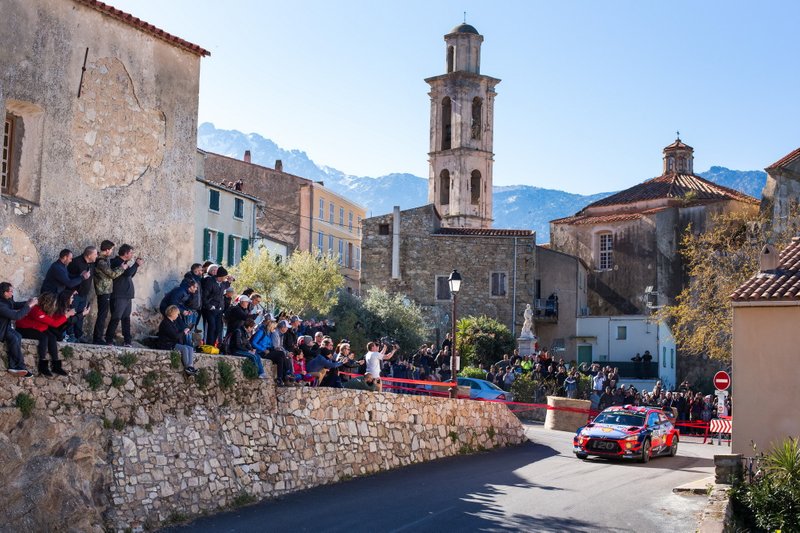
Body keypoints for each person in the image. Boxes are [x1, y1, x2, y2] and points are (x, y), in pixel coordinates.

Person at [15, 292, 73, 376]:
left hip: (37, 327)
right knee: (44, 337)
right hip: (23, 329)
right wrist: (67, 315)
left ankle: (56, 365)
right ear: (48, 303)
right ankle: (42, 365)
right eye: (54, 303)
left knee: (52, 337)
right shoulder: (36, 310)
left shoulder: (44, 309)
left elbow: (52, 319)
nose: (55, 305)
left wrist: (64, 314)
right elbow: (54, 323)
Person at [105, 244, 143, 347]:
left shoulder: (124, 263)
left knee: (126, 319)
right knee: (116, 318)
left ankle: (127, 341)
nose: (132, 255)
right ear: (125, 253)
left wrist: (135, 266)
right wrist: (136, 264)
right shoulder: (116, 262)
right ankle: (108, 340)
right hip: (119, 295)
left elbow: (130, 274)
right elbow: (126, 273)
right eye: (130, 252)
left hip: (126, 296)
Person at [92, 240, 128, 345]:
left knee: (102, 314)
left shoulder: (104, 260)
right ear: (107, 250)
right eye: (111, 249)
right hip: (104, 291)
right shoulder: (101, 261)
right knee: (102, 315)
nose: (112, 251)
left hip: (105, 290)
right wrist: (122, 268)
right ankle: (97, 339)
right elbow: (112, 274)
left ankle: (98, 338)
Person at [0, 282, 36, 377]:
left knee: (18, 336)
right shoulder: (1, 305)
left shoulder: (7, 300)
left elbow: (14, 304)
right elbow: (17, 316)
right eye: (10, 291)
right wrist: (29, 306)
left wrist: (27, 303)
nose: (12, 293)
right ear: (4, 292)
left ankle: (13, 366)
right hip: (1, 329)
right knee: (14, 338)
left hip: (5, 326)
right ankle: (21, 366)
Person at [66, 246, 97, 341]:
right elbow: (67, 277)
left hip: (84, 294)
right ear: (89, 255)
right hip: (74, 294)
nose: (97, 256)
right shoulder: (75, 263)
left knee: (81, 314)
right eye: (95, 254)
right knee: (72, 314)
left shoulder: (92, 264)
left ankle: (78, 336)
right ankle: (69, 335)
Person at [157, 305, 198, 375]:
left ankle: (191, 366)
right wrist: (184, 332)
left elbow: (177, 332)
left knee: (190, 348)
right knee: (185, 348)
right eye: (177, 314)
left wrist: (185, 330)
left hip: (172, 343)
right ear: (172, 313)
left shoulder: (172, 322)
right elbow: (175, 336)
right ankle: (187, 367)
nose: (178, 315)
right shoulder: (166, 323)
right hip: (166, 344)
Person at [201, 266, 227, 347]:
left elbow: (226, 286)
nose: (226, 278)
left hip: (219, 309)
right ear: (221, 276)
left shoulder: (222, 283)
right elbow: (204, 296)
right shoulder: (210, 282)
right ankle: (208, 345)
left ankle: (212, 345)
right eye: (225, 276)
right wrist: (209, 306)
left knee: (218, 328)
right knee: (212, 326)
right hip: (210, 309)